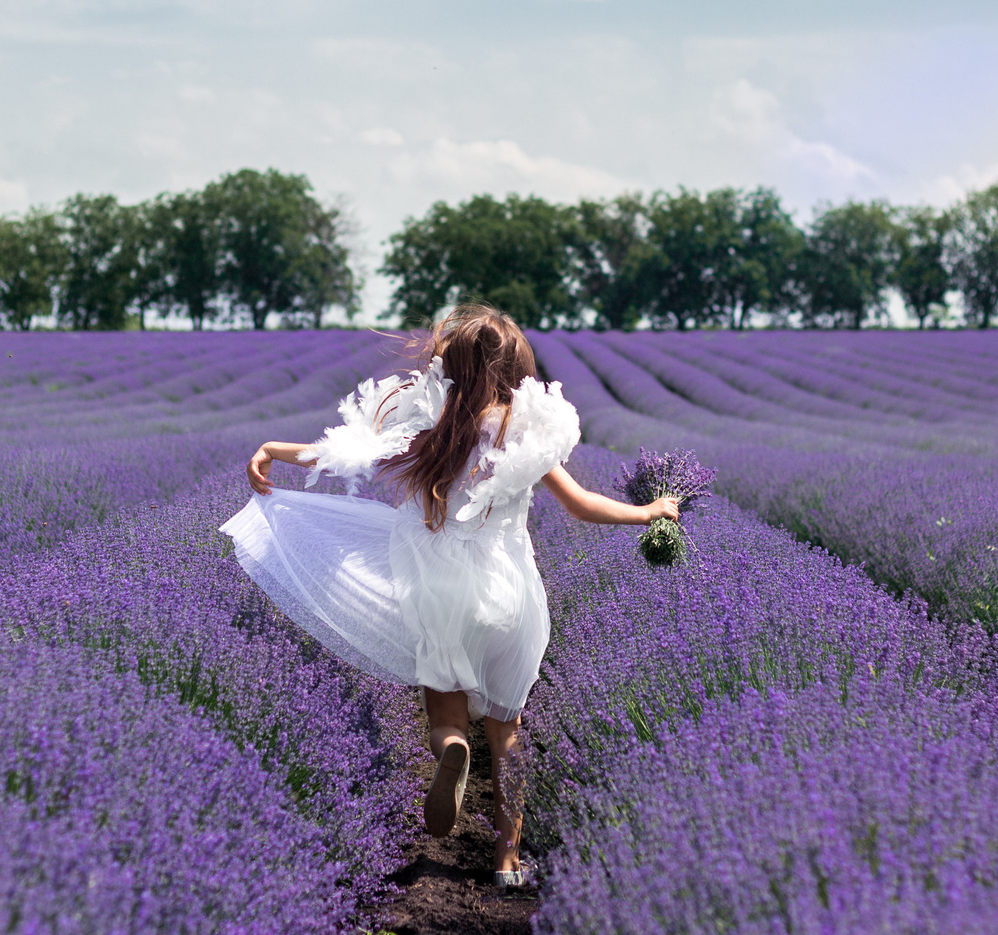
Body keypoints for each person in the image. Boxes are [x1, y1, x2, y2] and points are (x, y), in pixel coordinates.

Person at [221, 305, 679, 885]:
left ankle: (450, 752)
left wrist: (272, 449)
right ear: (516, 368)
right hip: (510, 592)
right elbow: (583, 505)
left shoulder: (431, 428)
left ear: (449, 367)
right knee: (509, 732)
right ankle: (508, 861)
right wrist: (649, 512)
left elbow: (344, 457)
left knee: (446, 710)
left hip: (437, 587)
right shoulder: (524, 430)